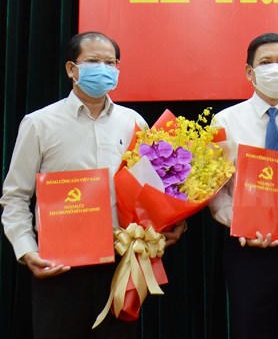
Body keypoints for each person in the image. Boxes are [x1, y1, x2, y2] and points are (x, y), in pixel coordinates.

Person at [0, 31, 184, 339]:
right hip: (59, 266)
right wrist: (26, 249)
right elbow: (15, 197)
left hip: (121, 264)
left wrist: (169, 222)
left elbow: (154, 188)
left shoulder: (134, 122)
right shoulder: (39, 123)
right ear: (71, 69)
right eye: (94, 61)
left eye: (110, 63)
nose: (103, 68)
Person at [209, 32, 278, 339]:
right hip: (247, 249)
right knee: (249, 329)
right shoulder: (225, 122)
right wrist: (240, 224)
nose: (275, 69)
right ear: (250, 71)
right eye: (266, 62)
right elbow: (215, 192)